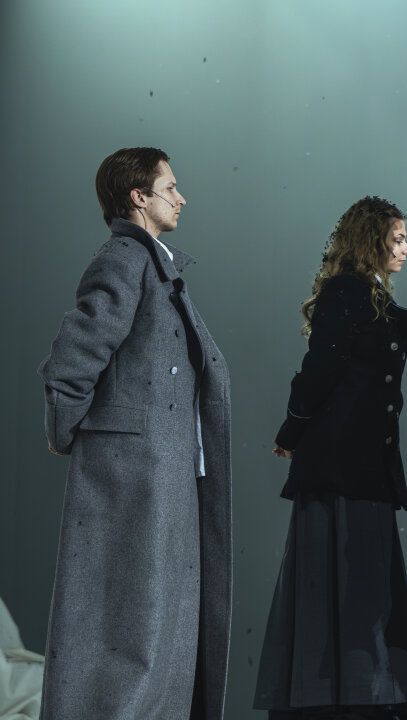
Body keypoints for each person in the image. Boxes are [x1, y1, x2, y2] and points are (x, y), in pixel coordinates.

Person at [38, 147, 232, 719]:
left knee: (159, 623)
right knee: (135, 626)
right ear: (138, 197)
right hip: (135, 475)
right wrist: (67, 432)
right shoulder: (125, 258)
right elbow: (73, 358)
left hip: (161, 473)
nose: (181, 198)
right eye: (169, 187)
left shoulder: (153, 263)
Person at [253, 197, 407, 720]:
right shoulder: (347, 291)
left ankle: (360, 698)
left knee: (360, 586)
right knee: (347, 585)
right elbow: (319, 368)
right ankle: (341, 702)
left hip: (364, 464)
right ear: (372, 241)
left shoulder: (366, 294)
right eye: (397, 239)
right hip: (341, 465)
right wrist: (293, 430)